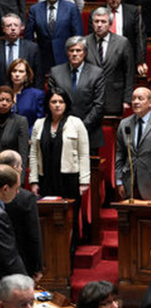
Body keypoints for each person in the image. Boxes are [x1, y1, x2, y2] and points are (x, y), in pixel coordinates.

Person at [29, 88, 89, 242]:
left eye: (61, 102)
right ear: (48, 104)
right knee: (48, 218)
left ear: (66, 104)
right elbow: (34, 154)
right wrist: (34, 180)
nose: (57, 105)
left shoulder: (76, 123)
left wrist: (84, 181)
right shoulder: (39, 124)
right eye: (53, 102)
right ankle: (51, 254)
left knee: (69, 218)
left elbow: (84, 154)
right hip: (46, 178)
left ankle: (70, 252)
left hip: (69, 179)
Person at [48, 36, 105, 154]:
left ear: (85, 52)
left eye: (78, 50)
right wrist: (65, 126)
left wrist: (80, 127)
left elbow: (99, 105)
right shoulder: (56, 72)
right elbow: (52, 102)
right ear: (67, 52)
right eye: (71, 50)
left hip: (89, 132)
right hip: (61, 131)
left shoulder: (96, 73)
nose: (74, 54)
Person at [25, 0, 84, 77]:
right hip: (43, 57)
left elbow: (78, 35)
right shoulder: (35, 9)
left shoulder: (71, 8)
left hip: (66, 57)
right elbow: (28, 36)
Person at [84, 8, 135, 117]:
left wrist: (127, 100)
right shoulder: (85, 42)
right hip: (90, 99)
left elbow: (129, 72)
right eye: (96, 21)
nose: (99, 25)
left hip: (115, 97)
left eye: (103, 22)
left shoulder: (122, 43)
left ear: (110, 24)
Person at [0, 151, 42, 280]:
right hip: (15, 267)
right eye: (21, 165)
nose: (17, 192)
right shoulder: (26, 198)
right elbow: (33, 235)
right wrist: (36, 267)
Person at [102, 0, 148, 76]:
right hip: (104, 60)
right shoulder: (98, 13)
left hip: (127, 59)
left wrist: (140, 61)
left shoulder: (133, 11)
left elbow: (140, 37)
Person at [0, 15, 42, 89]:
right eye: (9, 25)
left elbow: (38, 75)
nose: (13, 28)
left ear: (21, 28)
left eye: (16, 25)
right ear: (3, 28)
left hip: (25, 92)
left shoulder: (32, 48)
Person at [0, 166, 25, 277]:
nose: (18, 192)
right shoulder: (1, 216)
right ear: (5, 189)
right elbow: (9, 257)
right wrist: (26, 284)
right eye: (16, 188)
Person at [9, 60, 44, 133]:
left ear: (27, 75)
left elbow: (40, 120)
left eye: (21, 71)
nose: (17, 74)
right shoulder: (3, 93)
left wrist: (28, 136)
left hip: (28, 138)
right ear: (10, 74)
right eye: (14, 71)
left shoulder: (37, 95)